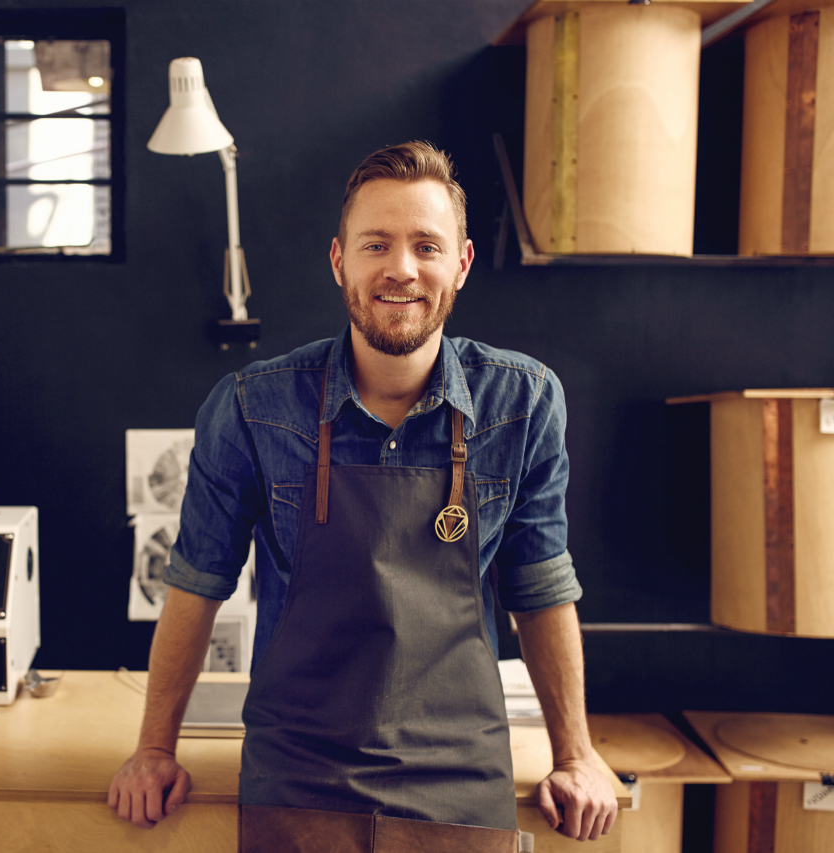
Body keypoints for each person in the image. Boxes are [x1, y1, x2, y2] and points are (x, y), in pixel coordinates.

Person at [109, 141, 618, 850]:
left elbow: (539, 587)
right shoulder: (252, 407)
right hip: (296, 777)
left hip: (457, 781)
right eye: (376, 243)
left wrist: (576, 753)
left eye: (426, 245)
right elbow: (196, 583)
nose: (401, 268)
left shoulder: (523, 401)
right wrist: (155, 747)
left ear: (462, 263)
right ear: (339, 260)